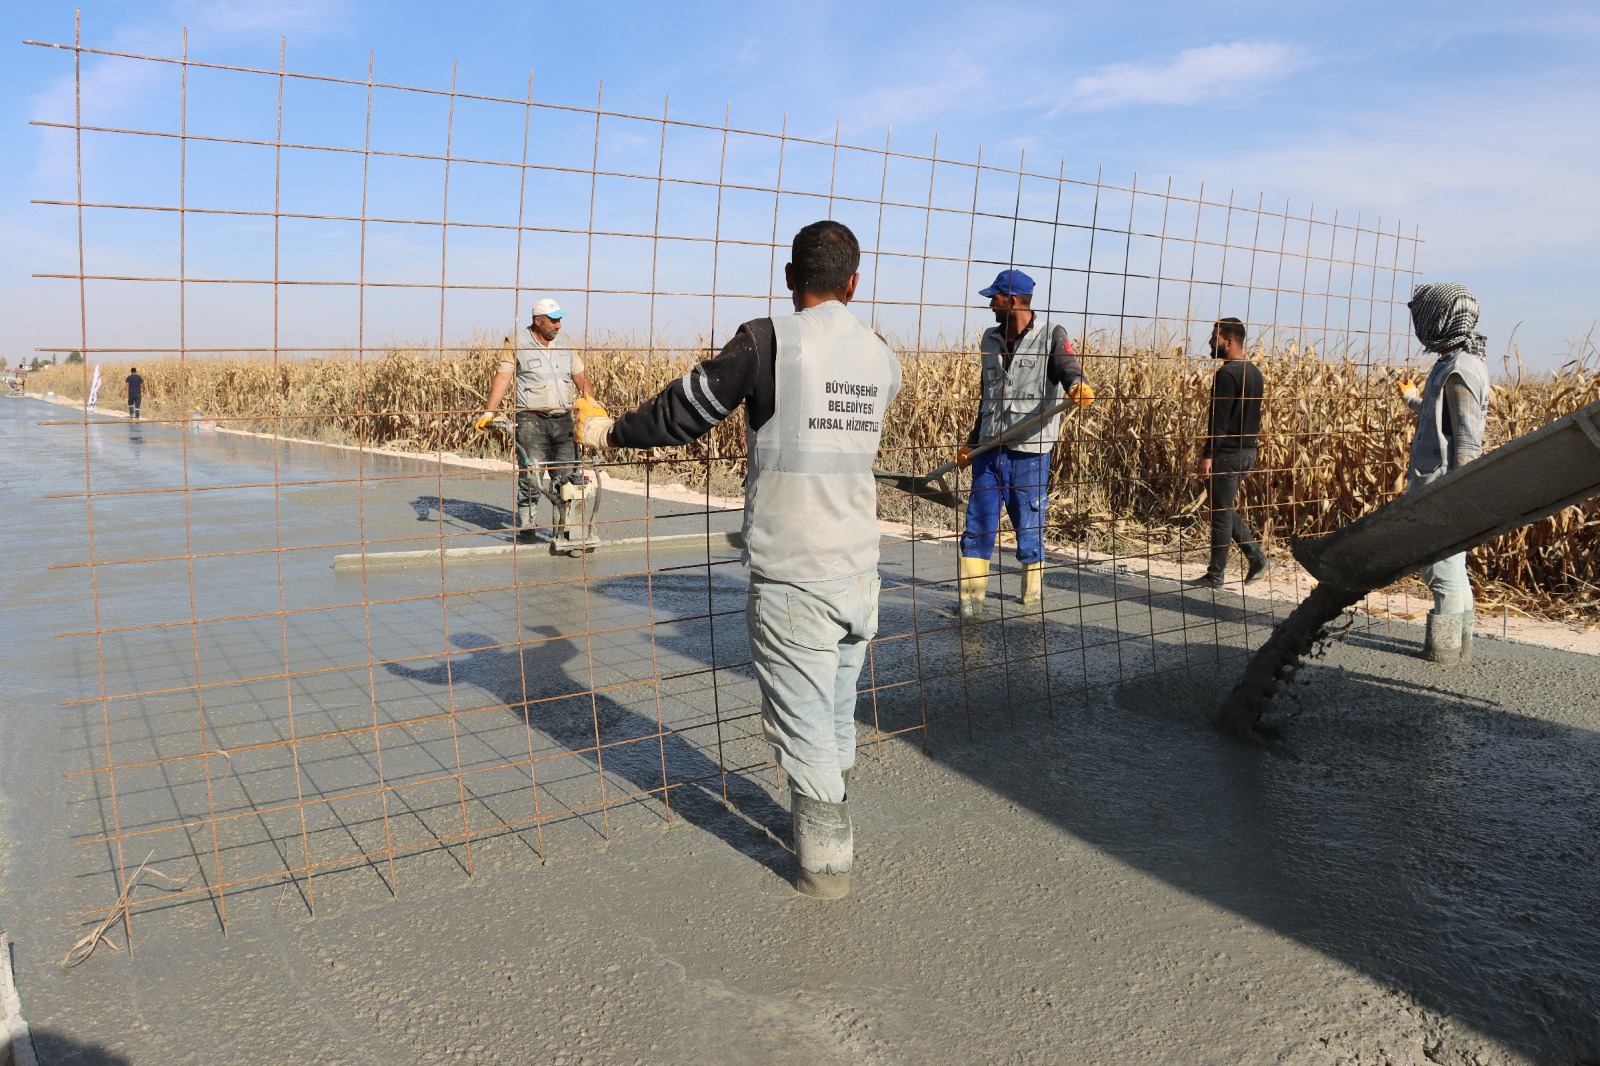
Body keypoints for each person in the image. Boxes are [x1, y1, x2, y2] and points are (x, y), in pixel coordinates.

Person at [572, 220, 900, 900]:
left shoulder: (768, 341)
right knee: (837, 716)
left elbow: (682, 413)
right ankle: (835, 823)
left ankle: (826, 881)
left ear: (789, 279)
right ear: (854, 284)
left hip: (794, 576)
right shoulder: (881, 354)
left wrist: (608, 429)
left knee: (804, 733)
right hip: (860, 574)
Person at [952, 268, 1094, 621]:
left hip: (1031, 452)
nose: (990, 304)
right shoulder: (989, 339)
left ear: (1012, 301)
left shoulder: (1051, 336)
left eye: (994, 298)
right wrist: (972, 442)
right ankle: (970, 606)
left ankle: (1030, 606)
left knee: (1028, 528)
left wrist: (1077, 385)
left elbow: (1069, 368)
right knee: (978, 525)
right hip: (989, 451)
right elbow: (988, 395)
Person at [1397, 282, 1489, 664]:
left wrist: (1458, 499)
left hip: (1443, 488)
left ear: (1439, 320)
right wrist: (1410, 398)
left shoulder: (1460, 368)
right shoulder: (1454, 363)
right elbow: (1442, 421)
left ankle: (1445, 653)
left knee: (1439, 567)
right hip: (1440, 483)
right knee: (1452, 566)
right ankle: (1460, 645)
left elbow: (1467, 442)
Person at [475, 298, 596, 538]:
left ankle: (566, 531)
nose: (558, 325)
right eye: (553, 320)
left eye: (560, 319)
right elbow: (503, 378)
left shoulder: (565, 343)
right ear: (538, 321)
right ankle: (528, 528)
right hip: (531, 420)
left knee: (568, 478)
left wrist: (590, 406)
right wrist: (489, 411)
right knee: (532, 477)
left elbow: (581, 376)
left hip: (563, 420)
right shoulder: (517, 343)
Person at [1192, 317, 1270, 589]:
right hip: (1247, 451)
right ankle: (1257, 558)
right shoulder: (1254, 372)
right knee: (1222, 508)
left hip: (1226, 452)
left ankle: (1216, 576)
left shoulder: (1227, 374)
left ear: (1230, 341)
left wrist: (1207, 455)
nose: (1211, 342)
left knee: (1220, 515)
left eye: (1215, 338)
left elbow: (1219, 420)